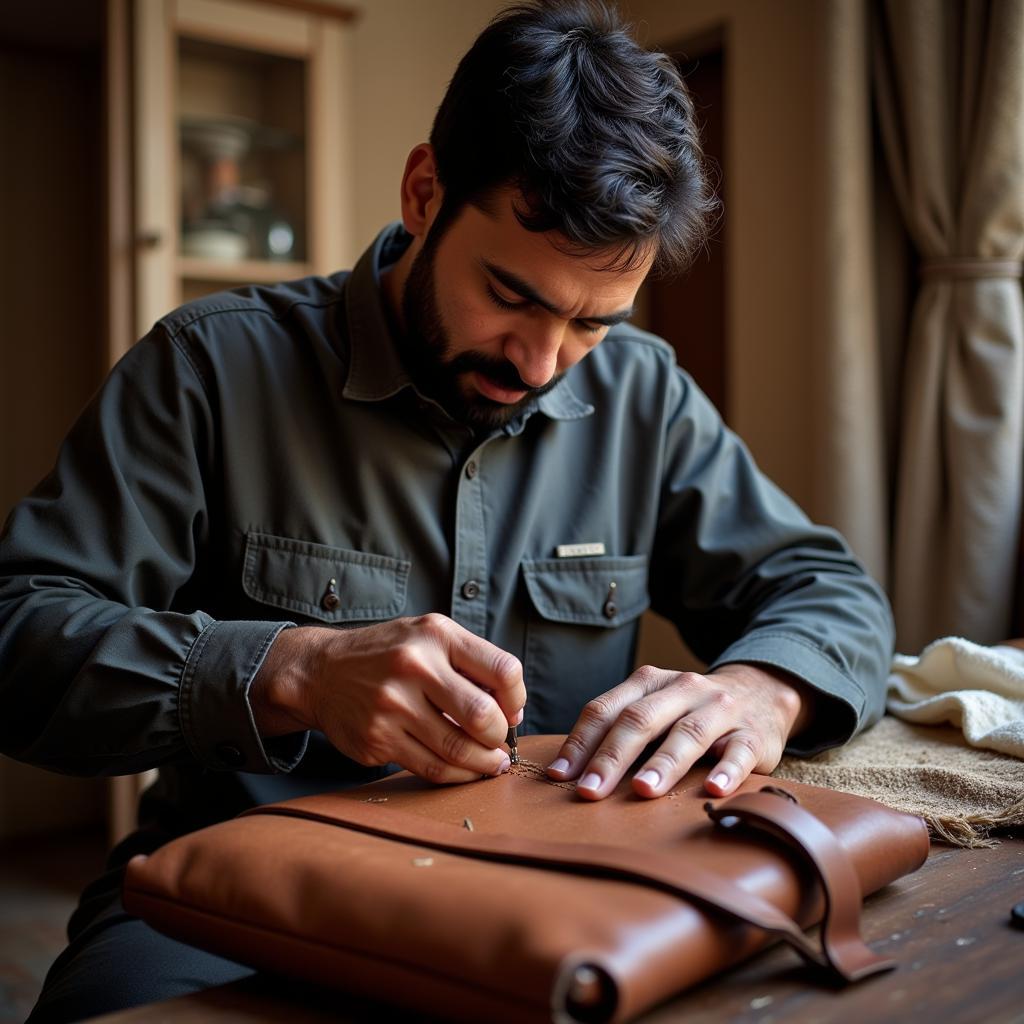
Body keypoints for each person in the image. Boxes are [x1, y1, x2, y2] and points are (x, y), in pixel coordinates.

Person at [1, 2, 894, 1020]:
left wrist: (761, 689)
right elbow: (18, 636)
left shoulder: (645, 397)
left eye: (594, 321)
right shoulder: (208, 366)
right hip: (222, 896)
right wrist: (285, 670)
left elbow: (826, 591)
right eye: (510, 294)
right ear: (424, 192)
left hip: (556, 894)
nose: (541, 360)